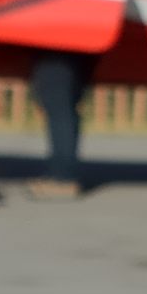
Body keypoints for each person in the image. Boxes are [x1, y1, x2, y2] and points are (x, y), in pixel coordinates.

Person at [25, 48, 94, 198]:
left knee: (58, 102)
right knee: (63, 105)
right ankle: (61, 174)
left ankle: (62, 178)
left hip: (61, 44)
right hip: (74, 45)